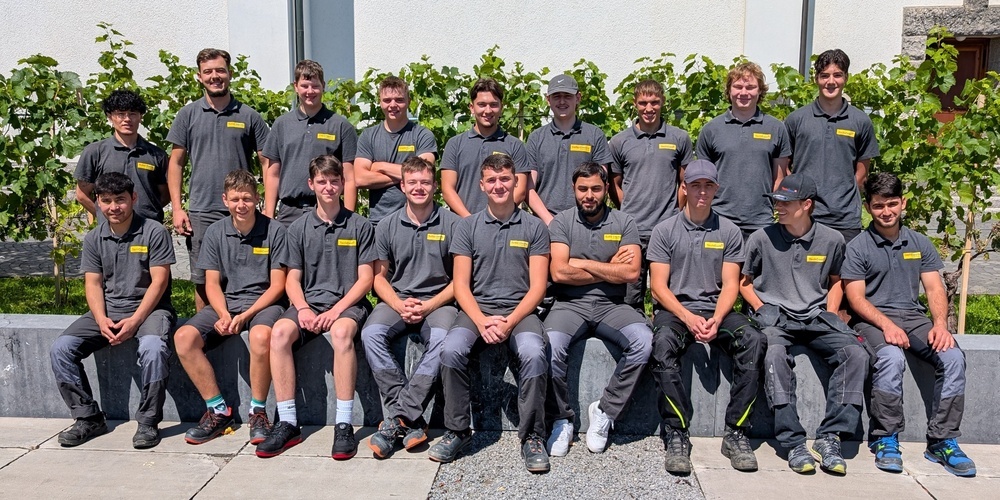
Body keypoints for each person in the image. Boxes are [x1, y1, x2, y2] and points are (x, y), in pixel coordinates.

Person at [843, 172, 976, 477]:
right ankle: (885, 438)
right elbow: (856, 299)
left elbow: (934, 287)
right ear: (868, 207)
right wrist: (887, 326)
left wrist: (940, 324)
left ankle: (942, 440)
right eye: (879, 205)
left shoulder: (919, 242)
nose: (886, 211)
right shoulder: (858, 246)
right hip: (872, 321)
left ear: (903, 203)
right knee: (890, 358)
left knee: (953, 357)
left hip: (914, 319)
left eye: (892, 204)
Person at [428, 154, 551, 472]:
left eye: (505, 178)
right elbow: (460, 285)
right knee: (451, 350)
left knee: (534, 353)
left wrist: (510, 322)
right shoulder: (467, 227)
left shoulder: (535, 227)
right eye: (492, 180)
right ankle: (458, 430)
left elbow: (538, 288)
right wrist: (482, 321)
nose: (499, 185)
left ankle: (532, 436)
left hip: (520, 312)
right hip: (476, 311)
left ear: (516, 182)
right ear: (482, 185)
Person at [740, 173, 868, 475]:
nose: (779, 207)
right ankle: (793, 442)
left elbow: (836, 281)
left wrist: (831, 311)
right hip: (776, 318)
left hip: (816, 317)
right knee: (773, 355)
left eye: (786, 202)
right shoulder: (761, 238)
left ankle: (831, 437)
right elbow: (744, 283)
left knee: (856, 354)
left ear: (807, 204)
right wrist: (762, 308)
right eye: (777, 201)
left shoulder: (833, 239)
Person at [254, 155, 376, 460]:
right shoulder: (297, 228)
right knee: (279, 333)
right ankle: (288, 422)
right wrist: (304, 309)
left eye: (334, 181)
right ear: (311, 184)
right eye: (322, 181)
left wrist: (336, 312)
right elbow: (292, 280)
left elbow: (365, 280)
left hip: (348, 304)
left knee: (342, 333)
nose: (329, 187)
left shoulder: (360, 225)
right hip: (309, 303)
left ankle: (344, 424)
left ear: (343, 184)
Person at [647, 160, 765, 474]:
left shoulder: (729, 231)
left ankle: (736, 432)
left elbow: (731, 285)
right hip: (676, 311)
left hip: (717, 311)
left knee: (753, 340)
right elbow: (658, 288)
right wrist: (687, 317)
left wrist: (717, 318)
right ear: (684, 187)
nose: (702, 191)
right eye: (695, 185)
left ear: (716, 189)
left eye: (708, 185)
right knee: (661, 343)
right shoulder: (664, 231)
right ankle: (676, 431)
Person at [49, 172, 175, 449]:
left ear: (134, 198)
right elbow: (93, 284)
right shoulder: (94, 238)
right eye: (106, 201)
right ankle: (88, 417)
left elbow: (160, 282)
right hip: (108, 310)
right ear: (98, 202)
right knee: (61, 349)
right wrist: (101, 319)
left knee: (153, 348)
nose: (114, 207)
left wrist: (135, 321)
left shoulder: (154, 231)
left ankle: (148, 421)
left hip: (150, 311)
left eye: (120, 199)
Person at [543, 162, 652, 457]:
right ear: (573, 189)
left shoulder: (624, 223)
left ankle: (604, 411)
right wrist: (609, 268)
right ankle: (562, 419)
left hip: (612, 306)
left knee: (644, 342)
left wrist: (581, 262)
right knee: (550, 345)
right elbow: (559, 273)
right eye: (582, 189)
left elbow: (631, 273)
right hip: (569, 305)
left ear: (606, 189)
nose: (588, 195)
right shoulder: (561, 222)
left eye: (595, 189)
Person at [173, 170, 288, 446]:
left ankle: (258, 412)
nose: (241, 205)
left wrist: (245, 315)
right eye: (235, 199)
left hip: (265, 303)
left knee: (260, 336)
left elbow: (278, 286)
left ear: (257, 198)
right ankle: (218, 410)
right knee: (183, 337)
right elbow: (212, 283)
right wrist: (224, 314)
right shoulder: (215, 232)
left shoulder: (275, 231)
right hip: (228, 301)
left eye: (247, 198)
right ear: (225, 200)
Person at [361, 157, 460, 458]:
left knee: (443, 339)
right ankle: (410, 418)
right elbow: (379, 278)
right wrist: (398, 303)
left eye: (425, 182)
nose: (419, 188)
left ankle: (397, 418)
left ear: (435, 186)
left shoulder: (453, 224)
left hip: (440, 301)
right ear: (402, 186)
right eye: (413, 182)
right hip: (397, 299)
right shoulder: (386, 225)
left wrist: (428, 305)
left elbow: (460, 281)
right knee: (370, 334)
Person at [167, 48, 269, 311]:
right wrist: (177, 208)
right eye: (208, 72)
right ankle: (206, 328)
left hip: (241, 209)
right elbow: (175, 163)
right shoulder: (188, 115)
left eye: (220, 70)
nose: (215, 76)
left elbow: (267, 163)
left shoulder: (249, 116)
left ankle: (243, 324)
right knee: (203, 279)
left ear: (230, 73)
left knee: (244, 275)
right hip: (202, 210)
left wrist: (268, 206)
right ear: (199, 76)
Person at [608, 79, 693, 310]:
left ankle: (662, 329)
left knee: (664, 296)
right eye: (643, 103)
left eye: (654, 102)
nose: (649, 108)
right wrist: (627, 211)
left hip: (666, 231)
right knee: (630, 296)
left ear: (663, 102)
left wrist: (674, 212)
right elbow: (614, 184)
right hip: (632, 231)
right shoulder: (619, 141)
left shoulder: (679, 138)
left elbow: (685, 182)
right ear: (634, 103)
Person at [784, 49, 879, 243]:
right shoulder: (796, 120)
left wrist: (841, 195)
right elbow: (784, 166)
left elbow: (862, 172)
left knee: (844, 264)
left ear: (846, 78)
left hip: (845, 218)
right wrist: (797, 195)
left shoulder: (860, 121)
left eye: (837, 75)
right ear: (816, 79)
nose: (831, 81)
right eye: (824, 75)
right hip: (804, 214)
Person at [695, 62, 790, 240]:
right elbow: (703, 179)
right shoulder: (711, 129)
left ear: (760, 91)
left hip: (762, 222)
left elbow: (779, 178)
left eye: (750, 87)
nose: (744, 92)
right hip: (719, 220)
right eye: (738, 86)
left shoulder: (776, 128)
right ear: (729, 91)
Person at [263, 59, 359, 225]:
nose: (310, 91)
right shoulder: (281, 125)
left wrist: (348, 220)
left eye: (315, 86)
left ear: (323, 86)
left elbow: (350, 178)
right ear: (295, 86)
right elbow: (273, 174)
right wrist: (269, 217)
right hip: (289, 214)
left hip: (329, 211)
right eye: (304, 86)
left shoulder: (341, 126)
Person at [525, 74, 612, 224]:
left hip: (586, 223)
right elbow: (528, 188)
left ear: (578, 98)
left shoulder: (594, 135)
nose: (562, 101)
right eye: (556, 96)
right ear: (548, 100)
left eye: (567, 96)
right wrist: (550, 222)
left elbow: (600, 184)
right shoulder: (536, 138)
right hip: (546, 223)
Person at [354, 76, 437, 227]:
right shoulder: (368, 136)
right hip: (378, 222)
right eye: (387, 100)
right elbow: (360, 179)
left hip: (416, 221)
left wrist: (380, 166)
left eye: (399, 100)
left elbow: (423, 175)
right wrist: (407, 176)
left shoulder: (422, 135)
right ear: (380, 102)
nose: (393, 105)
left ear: (409, 101)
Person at [76, 89, 169, 224]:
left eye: (133, 114)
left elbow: (165, 195)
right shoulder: (95, 152)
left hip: (148, 228)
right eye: (120, 114)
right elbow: (82, 195)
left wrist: (148, 213)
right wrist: (105, 217)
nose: (127, 119)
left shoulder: (156, 154)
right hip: (111, 231)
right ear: (110, 116)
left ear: (140, 117)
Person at [441, 78, 528, 217]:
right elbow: (447, 189)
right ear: (471, 107)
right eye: (481, 105)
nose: (488, 111)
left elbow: (520, 190)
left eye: (493, 105)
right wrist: (470, 221)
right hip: (463, 223)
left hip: (503, 223)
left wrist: (495, 218)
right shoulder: (455, 144)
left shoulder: (515, 145)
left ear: (501, 107)